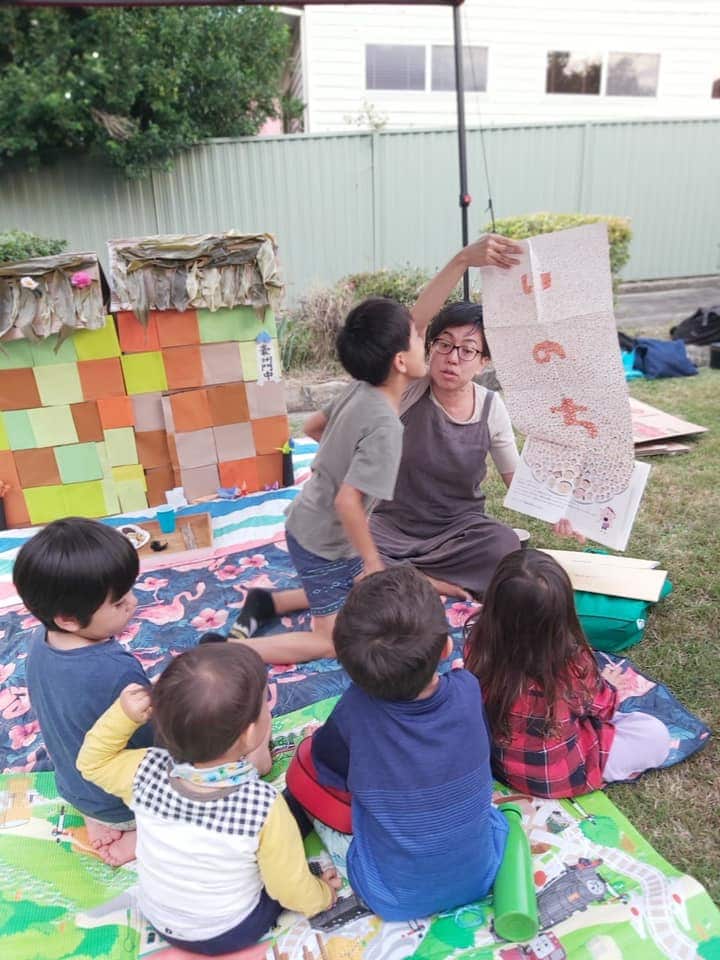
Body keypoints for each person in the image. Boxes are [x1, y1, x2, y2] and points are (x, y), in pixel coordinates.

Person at [77, 644, 341, 955]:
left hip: (160, 917)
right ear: (250, 733)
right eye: (264, 703)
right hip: (229, 930)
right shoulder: (263, 806)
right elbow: (289, 890)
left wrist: (123, 716)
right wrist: (323, 895)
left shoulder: (144, 770)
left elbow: (90, 762)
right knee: (295, 812)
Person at [284, 566, 508, 921]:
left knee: (302, 775)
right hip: (481, 874)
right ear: (447, 648)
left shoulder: (355, 712)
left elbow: (327, 766)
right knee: (487, 817)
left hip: (388, 893)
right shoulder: (468, 689)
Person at [233, 295, 427, 664]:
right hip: (322, 540)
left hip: (311, 522)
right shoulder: (386, 428)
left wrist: (342, 459)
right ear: (401, 361)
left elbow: (311, 426)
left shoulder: (361, 389)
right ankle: (232, 649)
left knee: (347, 594)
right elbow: (346, 501)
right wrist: (373, 563)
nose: (423, 342)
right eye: (418, 337)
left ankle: (268, 601)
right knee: (332, 641)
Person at [464, 549, 672, 798]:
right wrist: (610, 685)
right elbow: (603, 709)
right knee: (654, 733)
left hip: (500, 766)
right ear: (563, 612)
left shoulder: (477, 643)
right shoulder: (572, 663)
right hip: (565, 775)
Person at [13, 517, 152, 866]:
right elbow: (158, 745)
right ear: (69, 620)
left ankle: (97, 815)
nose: (133, 603)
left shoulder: (40, 640)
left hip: (75, 788)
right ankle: (142, 835)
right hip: (122, 804)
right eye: (119, 602)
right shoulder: (116, 669)